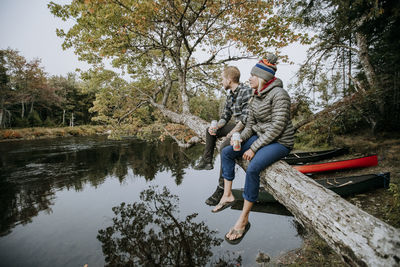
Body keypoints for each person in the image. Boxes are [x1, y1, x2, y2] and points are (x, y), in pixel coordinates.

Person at [212, 54, 295, 245]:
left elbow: (277, 127)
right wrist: (239, 139)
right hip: (261, 137)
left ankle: (243, 219)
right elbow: (249, 125)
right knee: (226, 152)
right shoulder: (255, 96)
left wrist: (254, 148)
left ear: (263, 78)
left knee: (253, 167)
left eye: (252, 76)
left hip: (280, 142)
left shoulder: (280, 95)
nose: (249, 79)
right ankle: (227, 195)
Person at [194, 66, 253, 206]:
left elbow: (245, 119)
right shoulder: (230, 95)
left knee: (224, 147)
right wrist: (217, 127)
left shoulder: (246, 91)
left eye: (222, 79)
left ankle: (221, 188)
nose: (221, 82)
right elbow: (225, 116)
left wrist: (230, 135)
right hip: (237, 127)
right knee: (209, 129)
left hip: (247, 129)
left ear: (229, 79)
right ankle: (207, 160)